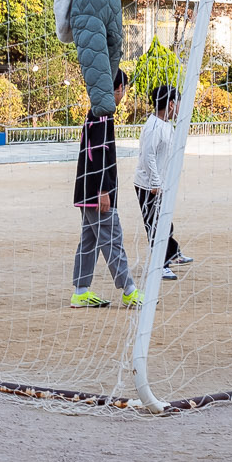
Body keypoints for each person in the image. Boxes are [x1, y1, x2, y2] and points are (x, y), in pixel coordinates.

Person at [70, 67, 138, 308]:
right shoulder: (103, 114)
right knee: (112, 238)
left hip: (86, 191)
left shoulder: (96, 112)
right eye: (124, 90)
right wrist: (103, 189)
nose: (123, 95)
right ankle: (129, 289)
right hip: (96, 192)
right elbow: (99, 153)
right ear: (118, 89)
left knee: (89, 240)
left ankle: (80, 291)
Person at [132, 84, 192, 281]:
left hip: (161, 184)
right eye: (180, 103)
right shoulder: (154, 127)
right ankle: (160, 265)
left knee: (164, 221)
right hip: (148, 186)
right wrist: (156, 184)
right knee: (155, 224)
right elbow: (147, 158)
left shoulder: (166, 124)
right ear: (172, 104)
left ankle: (172, 253)